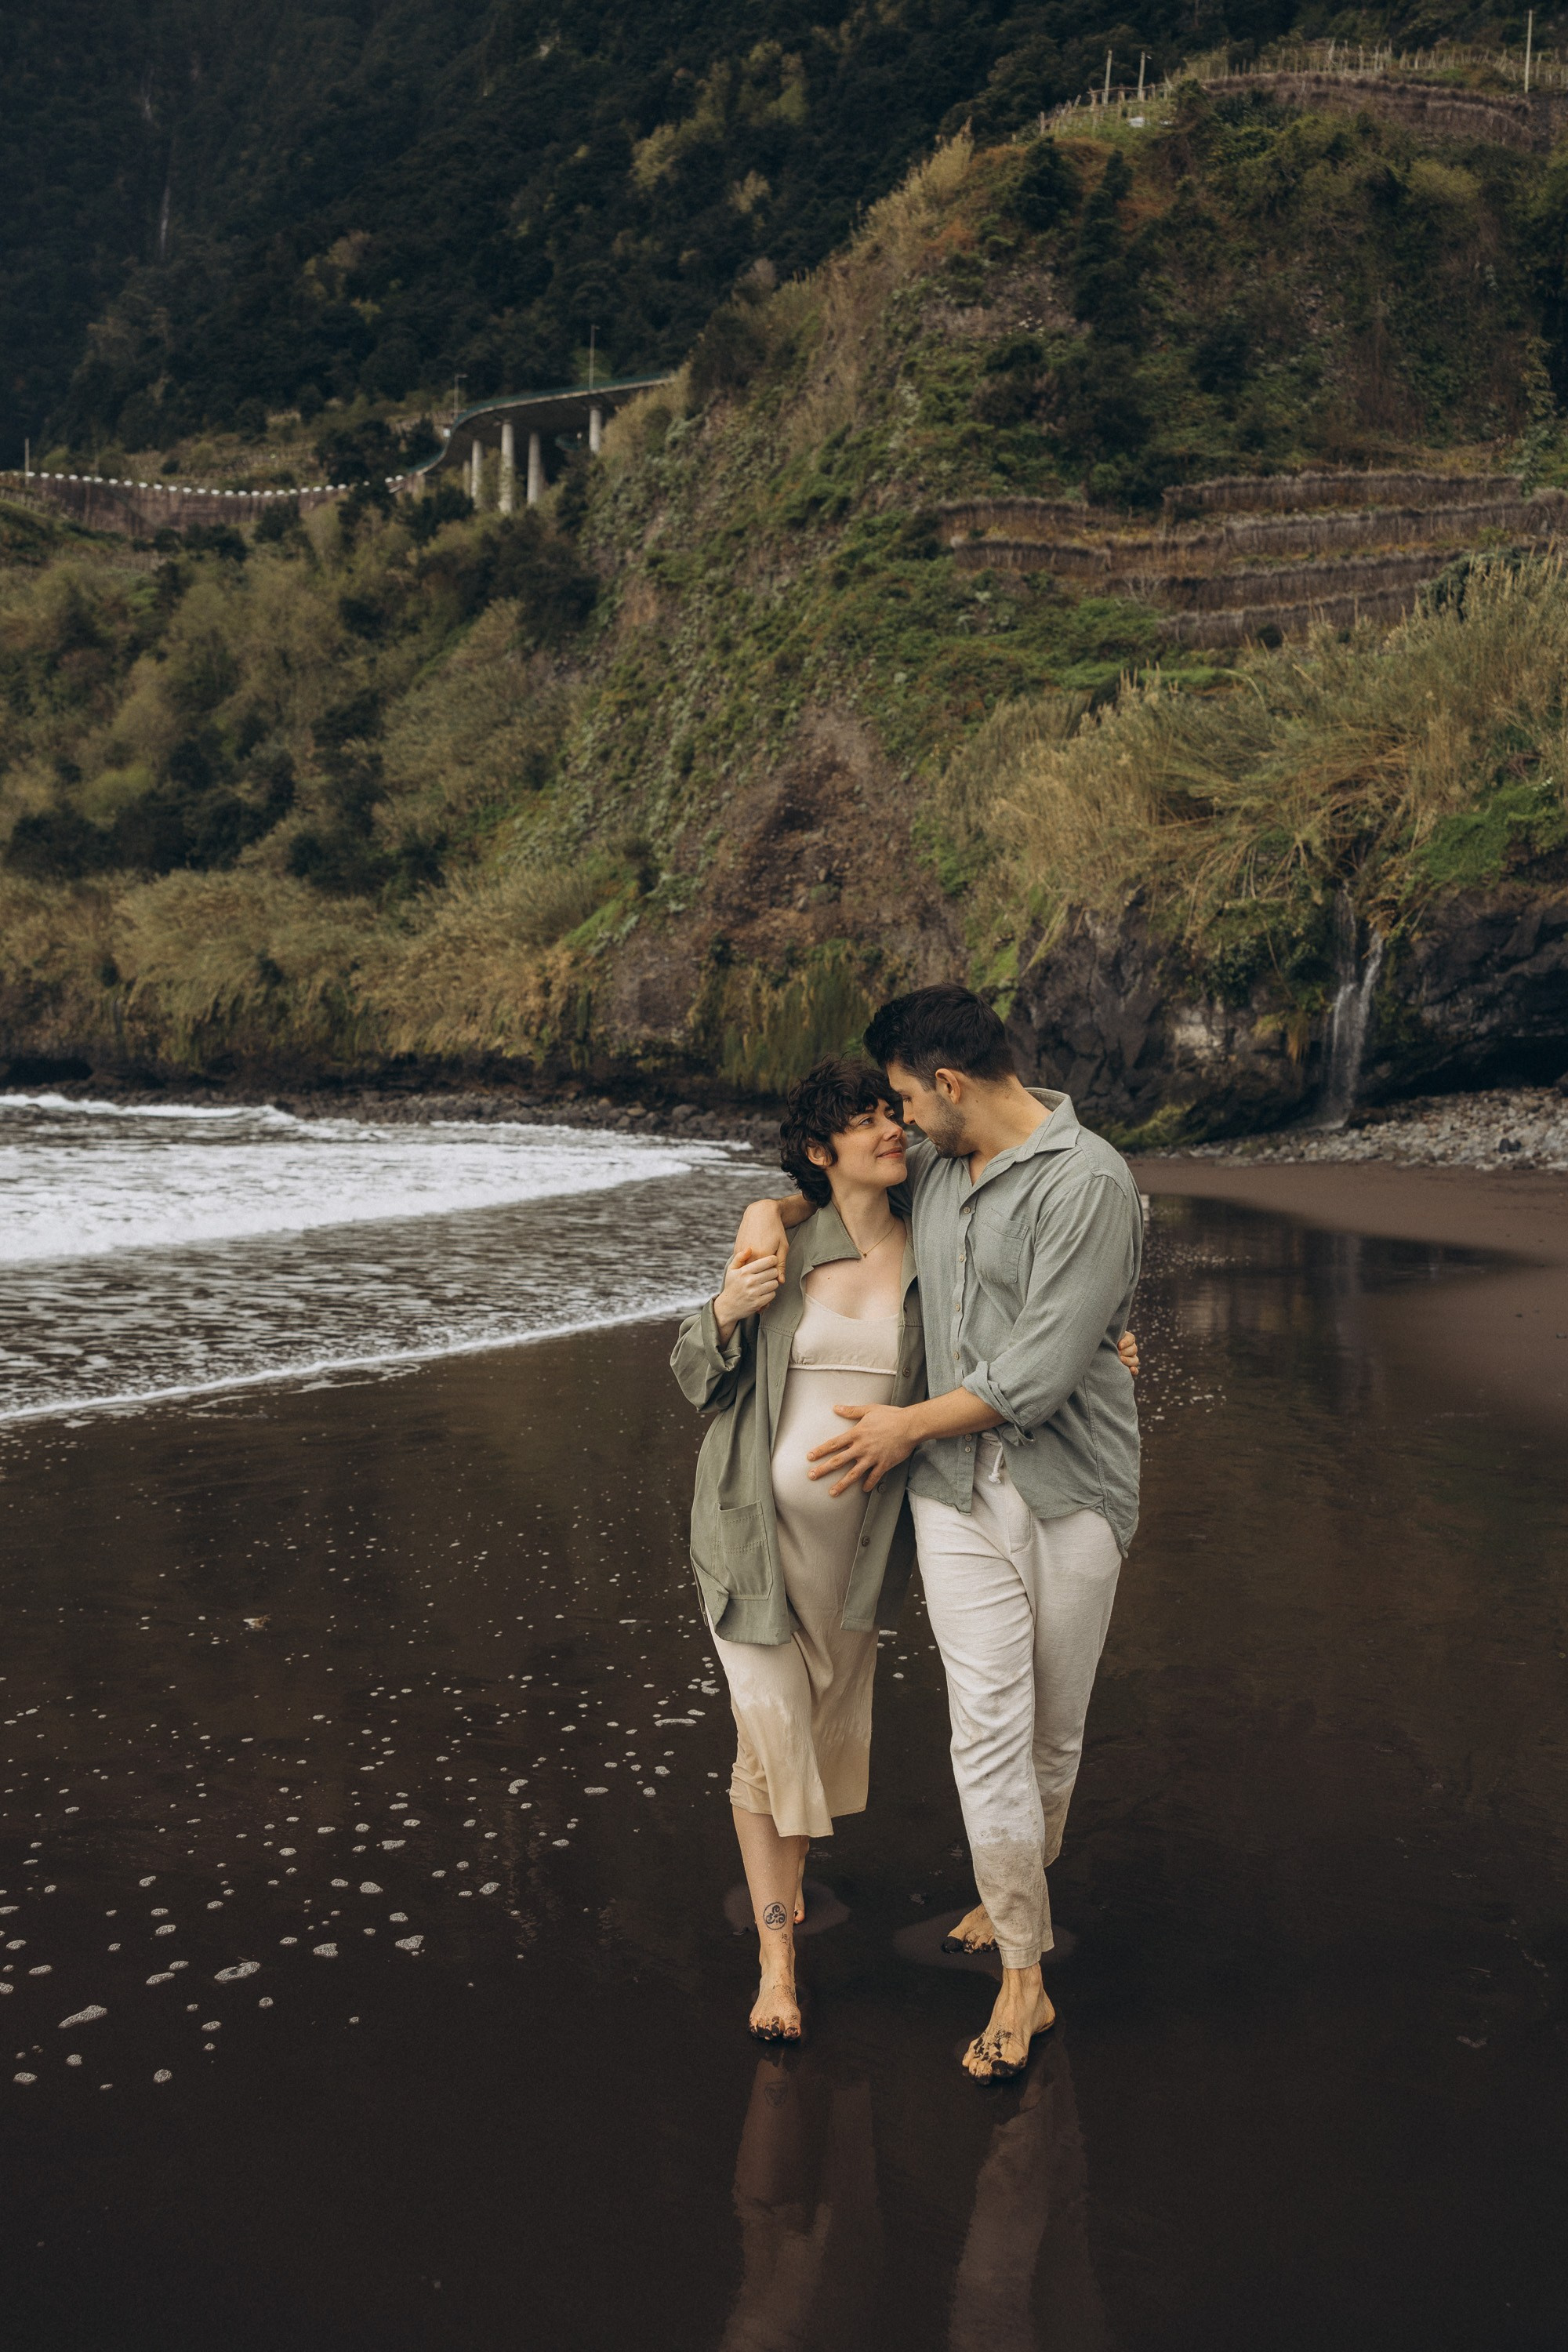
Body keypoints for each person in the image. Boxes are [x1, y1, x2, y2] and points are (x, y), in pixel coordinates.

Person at [732, 985, 1142, 2081]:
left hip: (1072, 1491)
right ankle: (1023, 1970)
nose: (898, 1123)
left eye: (907, 1099)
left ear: (949, 1085)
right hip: (954, 1493)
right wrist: (761, 1217)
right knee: (989, 1731)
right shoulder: (935, 1176)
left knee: (1053, 1733)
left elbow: (1047, 1370)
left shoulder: (1091, 1179)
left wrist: (912, 1419)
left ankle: (1011, 1889)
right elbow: (824, 1198)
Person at [671, 1058, 924, 2044]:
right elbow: (694, 1377)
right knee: (767, 1743)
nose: (889, 1132)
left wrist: (1100, 1349)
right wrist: (730, 1307)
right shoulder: (783, 1244)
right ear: (821, 1153)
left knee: (808, 1745)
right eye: (864, 1123)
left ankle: (787, 1901)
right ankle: (776, 1959)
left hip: (857, 1559)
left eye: (890, 1114)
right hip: (748, 1539)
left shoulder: (931, 1247)